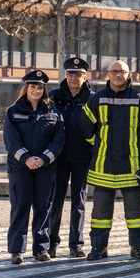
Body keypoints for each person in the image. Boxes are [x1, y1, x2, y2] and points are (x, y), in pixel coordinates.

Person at [79, 60, 140, 261]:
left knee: (136, 212)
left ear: (128, 74)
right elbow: (86, 129)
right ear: (108, 74)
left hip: (131, 166)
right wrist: (100, 146)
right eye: (113, 71)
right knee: (100, 213)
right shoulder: (96, 99)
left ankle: (138, 247)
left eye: (121, 71)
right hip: (103, 166)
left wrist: (138, 149)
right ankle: (98, 247)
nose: (117, 75)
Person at [4, 70, 66, 264]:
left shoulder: (53, 112)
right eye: (33, 87)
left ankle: (41, 248)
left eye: (40, 87)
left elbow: (59, 139)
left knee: (43, 207)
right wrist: (27, 159)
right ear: (26, 88)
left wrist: (43, 159)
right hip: (20, 168)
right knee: (20, 207)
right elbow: (11, 141)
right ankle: (16, 250)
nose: (37, 90)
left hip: (45, 168)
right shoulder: (13, 111)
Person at [48, 57, 93, 258]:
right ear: (65, 75)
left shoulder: (92, 98)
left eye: (78, 75)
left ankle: (76, 243)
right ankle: (51, 242)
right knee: (55, 200)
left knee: (79, 200)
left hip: (82, 156)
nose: (73, 78)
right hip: (59, 157)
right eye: (70, 74)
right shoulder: (54, 97)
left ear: (85, 77)